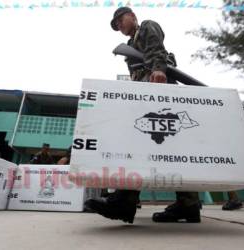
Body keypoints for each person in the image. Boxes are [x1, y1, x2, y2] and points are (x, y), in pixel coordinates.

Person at [84, 7, 201, 224]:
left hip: (156, 88)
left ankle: (124, 202)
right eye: (116, 24)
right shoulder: (130, 45)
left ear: (133, 16)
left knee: (139, 145)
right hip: (144, 93)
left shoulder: (147, 25)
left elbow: (157, 48)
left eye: (120, 20)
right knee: (169, 148)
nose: (119, 25)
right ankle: (188, 204)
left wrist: (159, 69)